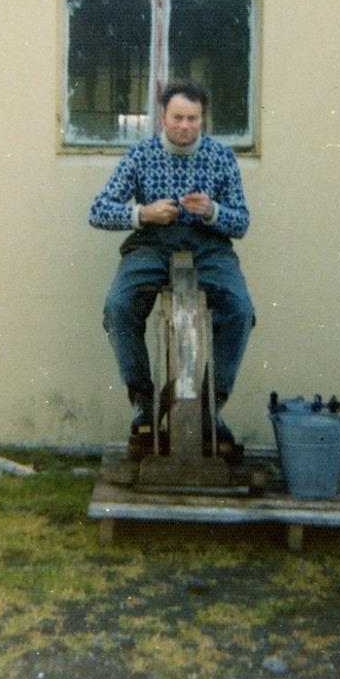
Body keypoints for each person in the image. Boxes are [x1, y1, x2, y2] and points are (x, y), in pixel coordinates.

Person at [89, 79, 255, 445]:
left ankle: (211, 407)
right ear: (163, 117)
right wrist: (143, 213)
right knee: (118, 307)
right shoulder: (141, 155)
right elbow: (98, 211)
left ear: (203, 119)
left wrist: (212, 212)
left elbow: (241, 222)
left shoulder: (221, 157)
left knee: (240, 310)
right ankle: (144, 403)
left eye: (193, 119)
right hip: (151, 244)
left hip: (209, 247)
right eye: (178, 117)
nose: (184, 126)